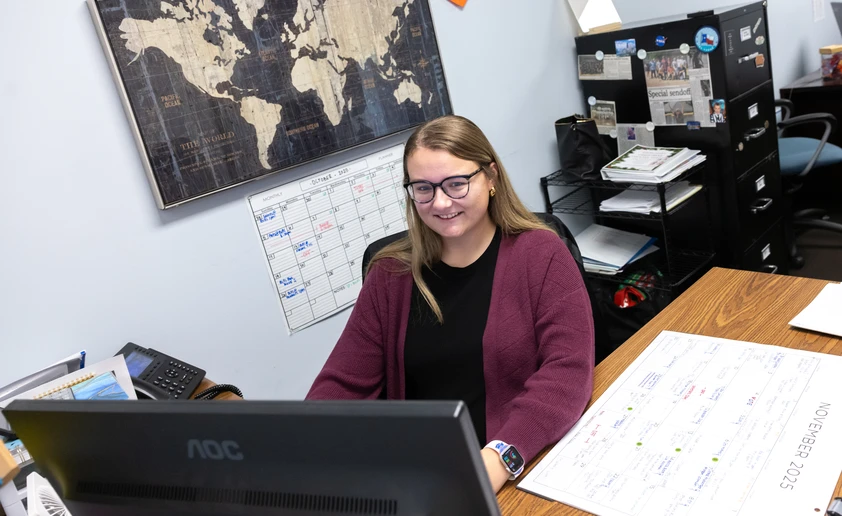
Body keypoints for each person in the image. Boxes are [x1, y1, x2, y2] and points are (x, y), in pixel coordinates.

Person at [306, 115, 594, 493]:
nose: (441, 202)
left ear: (490, 177)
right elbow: (341, 383)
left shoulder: (540, 254)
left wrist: (497, 460)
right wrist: (301, 444)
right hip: (415, 477)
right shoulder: (390, 274)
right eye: (423, 188)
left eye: (457, 184)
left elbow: (568, 371)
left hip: (508, 468)